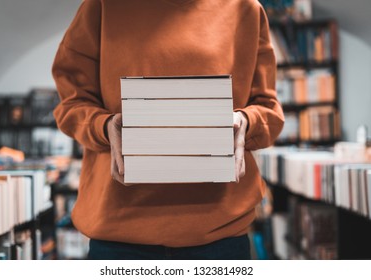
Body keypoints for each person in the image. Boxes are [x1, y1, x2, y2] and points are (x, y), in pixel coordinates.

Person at [52, 0, 284, 260]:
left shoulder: (244, 9)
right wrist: (103, 126)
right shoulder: (103, 6)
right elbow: (71, 105)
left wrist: (245, 121)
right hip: (120, 231)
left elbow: (270, 112)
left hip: (218, 232)